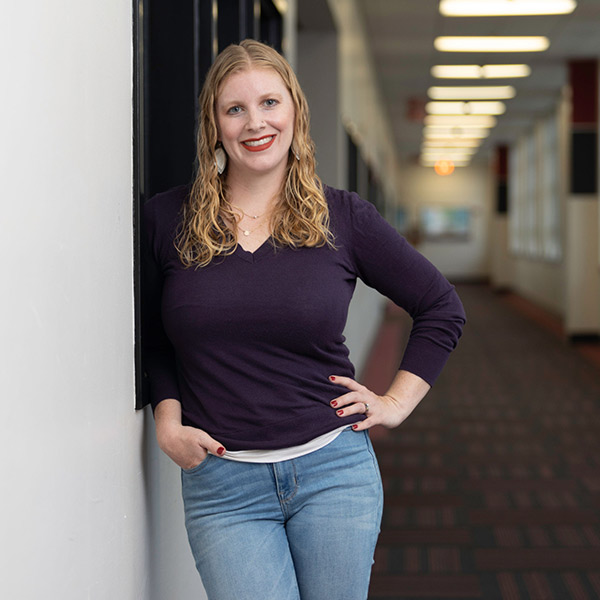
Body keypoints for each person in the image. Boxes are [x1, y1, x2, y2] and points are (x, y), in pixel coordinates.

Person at [142, 39, 465, 600]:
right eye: (234, 109)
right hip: (224, 488)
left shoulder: (344, 217)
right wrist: (166, 422)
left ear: (294, 110)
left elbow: (440, 307)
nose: (255, 123)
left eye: (269, 103)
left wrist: (394, 403)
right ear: (213, 125)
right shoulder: (166, 218)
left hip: (334, 473)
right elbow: (155, 339)